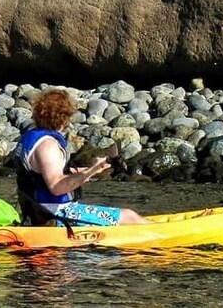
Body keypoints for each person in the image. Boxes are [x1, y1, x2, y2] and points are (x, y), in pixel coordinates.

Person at [15, 88, 151, 226]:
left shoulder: (33, 138)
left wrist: (93, 170)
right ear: (64, 117)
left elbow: (51, 175)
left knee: (130, 216)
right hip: (55, 215)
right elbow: (56, 186)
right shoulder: (48, 146)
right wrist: (90, 172)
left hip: (39, 212)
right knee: (130, 217)